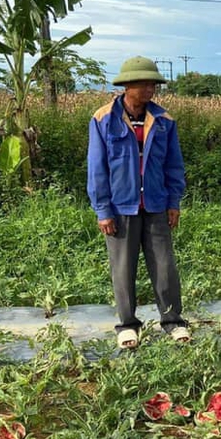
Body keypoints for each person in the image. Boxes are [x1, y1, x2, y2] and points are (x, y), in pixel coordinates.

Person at [87, 56, 189, 349]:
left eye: (152, 84)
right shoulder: (103, 119)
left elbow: (173, 165)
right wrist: (103, 209)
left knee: (165, 266)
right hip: (120, 208)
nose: (149, 89)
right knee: (123, 267)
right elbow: (97, 168)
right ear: (127, 86)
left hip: (156, 204)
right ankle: (127, 325)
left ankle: (172, 322)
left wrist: (173, 201)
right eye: (143, 84)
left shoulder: (164, 121)